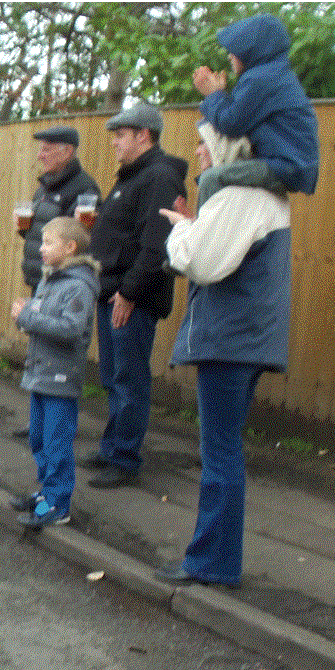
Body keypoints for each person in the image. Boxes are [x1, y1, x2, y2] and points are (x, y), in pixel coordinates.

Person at [153, 122, 291, 588]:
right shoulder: (262, 196)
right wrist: (194, 228)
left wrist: (182, 232)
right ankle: (217, 560)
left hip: (231, 342)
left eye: (204, 144)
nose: (197, 152)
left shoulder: (239, 197)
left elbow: (202, 263)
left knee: (220, 455)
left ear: (226, 149)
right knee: (223, 452)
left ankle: (212, 563)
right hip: (245, 341)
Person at [84, 103, 187, 489]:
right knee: (113, 377)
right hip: (112, 294)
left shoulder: (159, 177)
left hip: (133, 299)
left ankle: (125, 459)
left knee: (129, 379)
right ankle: (112, 447)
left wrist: (128, 293)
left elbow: (157, 245)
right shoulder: (133, 176)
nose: (114, 142)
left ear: (144, 135)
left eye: (120, 134)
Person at [8, 217, 99, 528]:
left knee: (56, 442)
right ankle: (47, 492)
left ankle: (58, 504)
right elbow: (45, 315)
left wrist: (29, 317)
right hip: (41, 375)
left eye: (48, 243)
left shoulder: (78, 286)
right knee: (38, 438)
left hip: (60, 377)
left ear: (70, 247)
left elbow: (71, 328)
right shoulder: (52, 280)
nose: (41, 248)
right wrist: (28, 308)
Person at [11, 126, 100, 439]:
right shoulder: (44, 187)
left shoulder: (84, 188)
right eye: (41, 148)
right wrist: (27, 230)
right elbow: (44, 234)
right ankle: (39, 420)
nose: (40, 154)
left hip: (62, 282)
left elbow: (76, 238)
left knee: (54, 345)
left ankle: (53, 426)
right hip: (42, 278)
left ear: (68, 151)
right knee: (39, 345)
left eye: (48, 148)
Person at [192, 13, 318, 207]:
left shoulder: (262, 79)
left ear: (251, 50)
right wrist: (218, 95)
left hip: (285, 165)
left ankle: (201, 234)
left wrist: (212, 95)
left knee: (212, 178)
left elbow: (230, 123)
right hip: (290, 164)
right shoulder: (273, 74)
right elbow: (238, 116)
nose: (230, 56)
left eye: (235, 50)